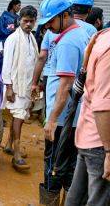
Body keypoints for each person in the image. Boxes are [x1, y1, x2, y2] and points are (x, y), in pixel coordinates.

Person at [38, 0, 90, 204]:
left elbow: (65, 85)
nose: (48, 26)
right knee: (70, 168)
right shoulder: (82, 34)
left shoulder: (68, 42)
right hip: (74, 118)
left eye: (51, 21)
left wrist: (51, 120)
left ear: (65, 15)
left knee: (53, 169)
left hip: (62, 121)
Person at [65, 29, 110, 206]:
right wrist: (109, 152)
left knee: (77, 196)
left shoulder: (102, 36)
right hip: (100, 141)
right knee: (99, 200)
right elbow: (103, 105)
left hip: (89, 134)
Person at [1, 5, 39, 172]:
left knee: (20, 117)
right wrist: (9, 87)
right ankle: (16, 153)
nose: (28, 24)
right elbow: (7, 65)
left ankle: (9, 144)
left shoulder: (31, 38)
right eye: (25, 21)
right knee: (18, 117)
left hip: (27, 86)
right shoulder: (13, 39)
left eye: (31, 21)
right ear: (19, 21)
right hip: (16, 87)